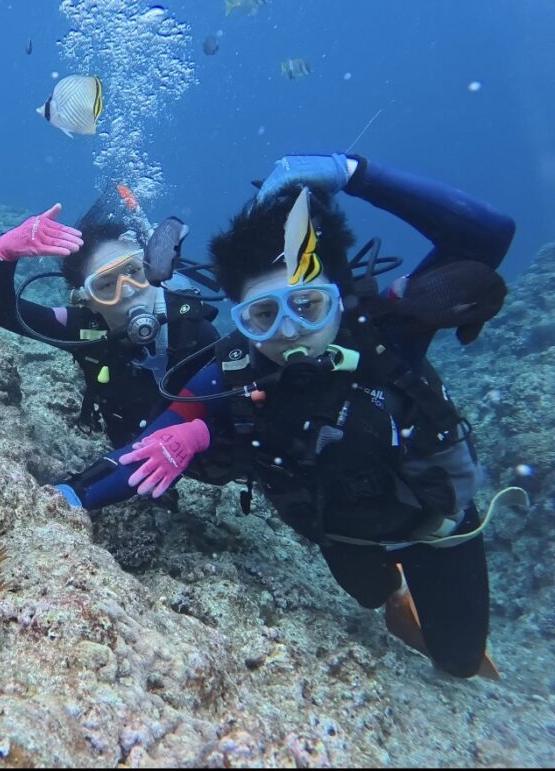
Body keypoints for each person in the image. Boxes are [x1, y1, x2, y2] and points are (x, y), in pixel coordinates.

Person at [54, 153, 516, 679]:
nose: (290, 331)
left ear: (338, 300)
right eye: (264, 314)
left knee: (456, 661)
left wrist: (356, 172)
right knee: (373, 594)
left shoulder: (390, 329)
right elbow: (139, 453)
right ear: (240, 317)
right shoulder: (230, 368)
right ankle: (393, 595)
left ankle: (424, 601)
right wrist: (68, 496)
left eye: (309, 305)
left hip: (434, 525)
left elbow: (489, 239)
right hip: (339, 535)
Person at [0, 200, 222, 452]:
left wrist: (195, 437)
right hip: (127, 452)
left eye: (133, 271)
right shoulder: (84, 330)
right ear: (86, 299)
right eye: (105, 285)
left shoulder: (193, 330)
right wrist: (2, 254)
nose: (127, 291)